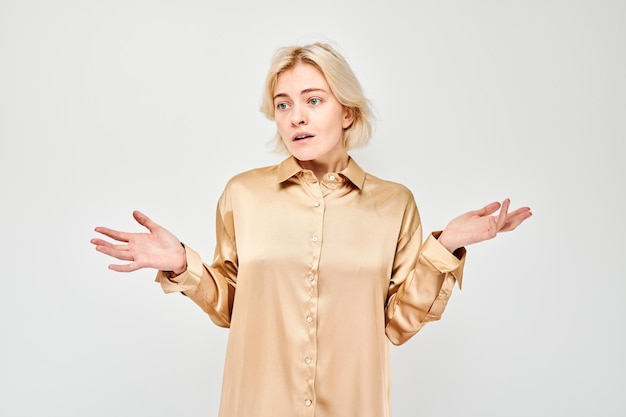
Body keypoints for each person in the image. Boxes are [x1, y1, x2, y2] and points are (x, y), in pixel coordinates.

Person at [91, 42, 532, 417]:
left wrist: (446, 246)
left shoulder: (394, 203)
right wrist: (183, 265)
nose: (295, 117)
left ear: (347, 112)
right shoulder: (242, 195)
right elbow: (231, 307)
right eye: (283, 105)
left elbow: (398, 324)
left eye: (313, 100)